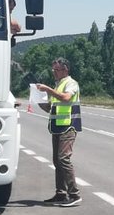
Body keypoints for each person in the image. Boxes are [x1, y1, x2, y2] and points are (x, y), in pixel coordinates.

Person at [35, 57, 82, 206]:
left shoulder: (70, 83)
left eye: (56, 70)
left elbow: (66, 98)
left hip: (68, 126)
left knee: (63, 159)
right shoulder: (59, 85)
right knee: (57, 161)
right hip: (57, 126)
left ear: (65, 69)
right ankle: (61, 193)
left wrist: (47, 89)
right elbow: (50, 107)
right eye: (53, 70)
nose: (54, 72)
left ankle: (74, 195)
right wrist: (37, 99)